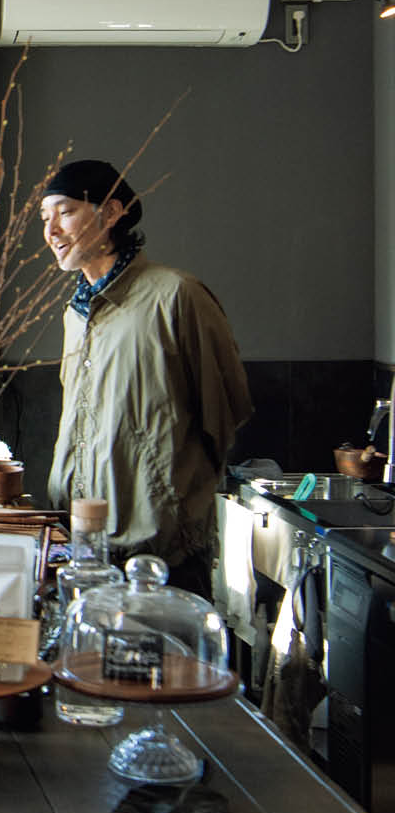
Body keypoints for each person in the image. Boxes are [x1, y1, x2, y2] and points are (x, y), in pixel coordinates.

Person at [40, 159, 252, 597]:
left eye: (64, 212)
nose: (52, 232)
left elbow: (226, 413)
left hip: (161, 560)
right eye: (45, 219)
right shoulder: (76, 315)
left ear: (112, 211)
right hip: (85, 547)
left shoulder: (176, 296)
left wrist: (166, 500)